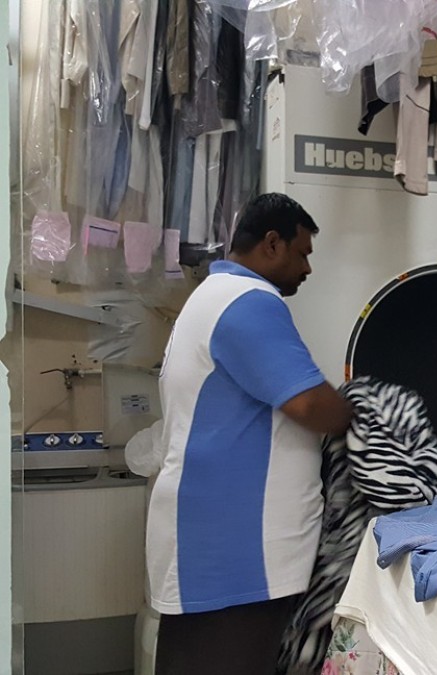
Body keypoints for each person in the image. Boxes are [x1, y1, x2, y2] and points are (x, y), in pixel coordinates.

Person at [146, 193, 353, 675]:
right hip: (236, 552)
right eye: (302, 253)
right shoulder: (248, 302)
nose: (307, 268)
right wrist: (361, 410)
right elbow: (310, 404)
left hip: (214, 540)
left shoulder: (212, 297)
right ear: (272, 243)